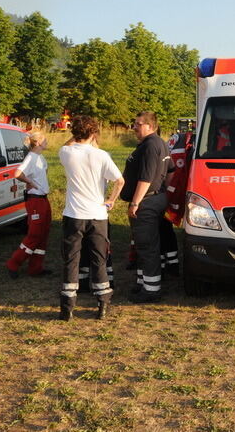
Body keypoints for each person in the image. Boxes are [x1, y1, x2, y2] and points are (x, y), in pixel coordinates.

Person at [57, 116, 124, 321]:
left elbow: (67, 144)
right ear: (94, 133)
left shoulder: (65, 152)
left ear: (74, 132)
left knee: (71, 260)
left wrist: (75, 135)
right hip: (97, 215)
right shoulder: (101, 155)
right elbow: (120, 181)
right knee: (99, 260)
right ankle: (102, 304)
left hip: (74, 215)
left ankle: (67, 307)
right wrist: (110, 200)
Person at [121, 111, 170, 303]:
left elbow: (146, 178)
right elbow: (171, 171)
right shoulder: (161, 143)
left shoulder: (150, 146)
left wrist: (135, 202)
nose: (134, 127)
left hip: (147, 201)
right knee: (145, 244)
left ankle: (151, 290)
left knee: (146, 245)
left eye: (138, 124)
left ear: (151, 126)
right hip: (156, 198)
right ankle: (143, 282)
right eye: (134, 123)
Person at [5, 131, 52, 278]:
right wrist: (30, 182)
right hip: (35, 200)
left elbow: (43, 172)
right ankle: (14, 263)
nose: (47, 141)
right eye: (44, 139)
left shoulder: (40, 157)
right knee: (35, 233)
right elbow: (18, 173)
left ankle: (35, 268)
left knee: (43, 233)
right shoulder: (31, 157)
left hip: (43, 198)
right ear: (37, 142)